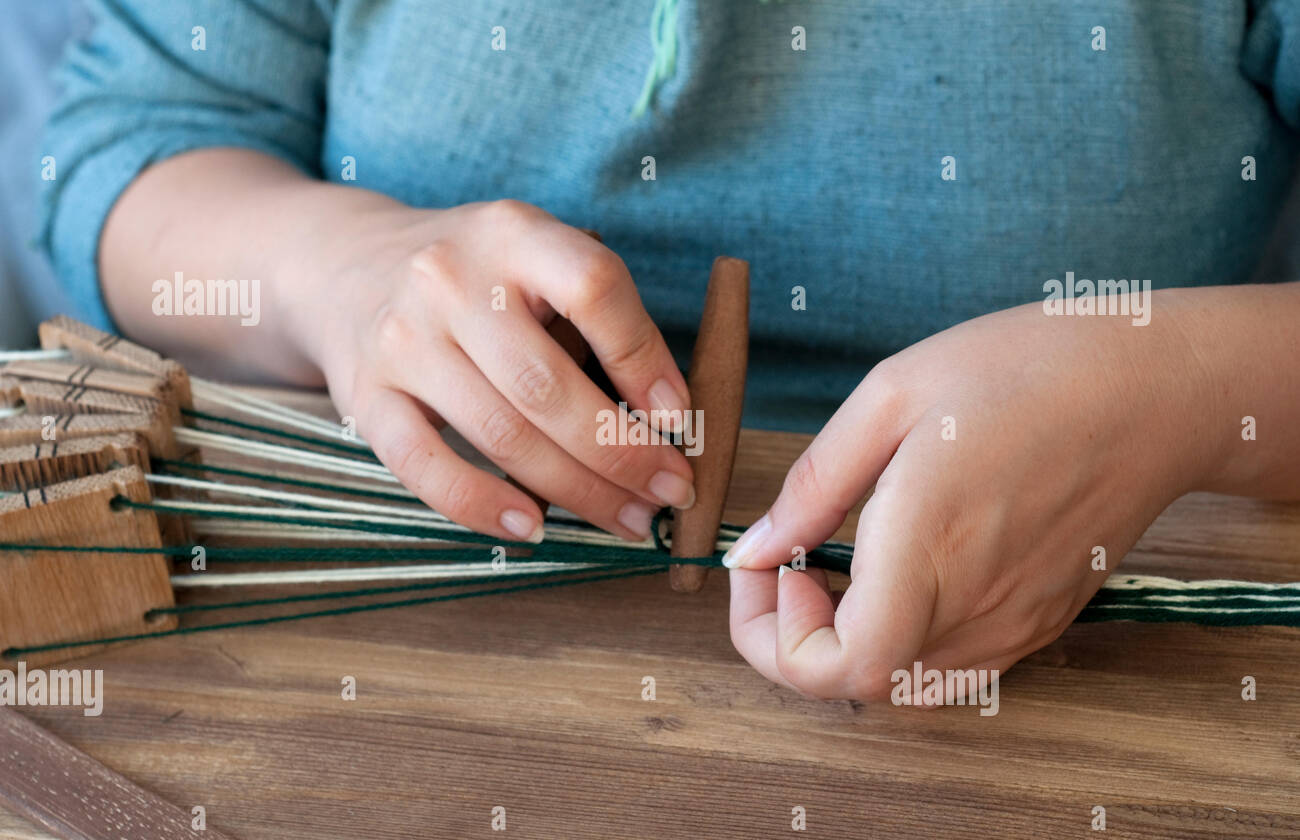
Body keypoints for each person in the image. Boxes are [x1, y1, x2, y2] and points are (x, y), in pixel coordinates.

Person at [39, 1, 1300, 700]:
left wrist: (1173, 383)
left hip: (1094, 683)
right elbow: (119, 145)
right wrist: (343, 269)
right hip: (366, 672)